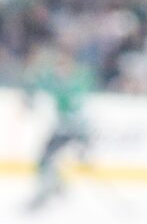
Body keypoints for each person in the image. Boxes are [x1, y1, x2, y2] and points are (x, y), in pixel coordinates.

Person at [22, 45, 97, 214]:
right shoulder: (56, 79)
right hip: (63, 129)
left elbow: (80, 107)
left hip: (77, 129)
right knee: (44, 161)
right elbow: (36, 83)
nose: (60, 68)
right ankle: (54, 186)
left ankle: (54, 186)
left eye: (64, 64)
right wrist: (29, 95)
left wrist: (85, 140)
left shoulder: (79, 80)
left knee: (47, 159)